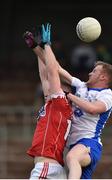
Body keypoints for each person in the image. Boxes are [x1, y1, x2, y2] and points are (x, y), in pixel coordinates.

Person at [23, 24, 72, 179]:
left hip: (46, 168)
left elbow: (51, 73)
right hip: (51, 167)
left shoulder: (61, 104)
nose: (56, 86)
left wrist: (45, 46)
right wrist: (36, 48)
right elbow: (44, 77)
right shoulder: (55, 105)